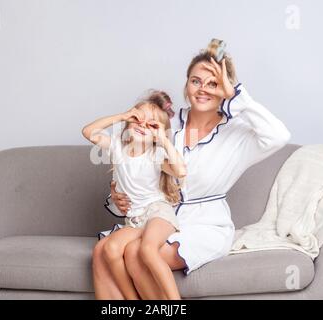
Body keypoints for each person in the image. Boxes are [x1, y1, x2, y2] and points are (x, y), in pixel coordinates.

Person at [92, 38, 291, 300]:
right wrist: (118, 199)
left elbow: (279, 136)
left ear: (226, 88)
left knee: (137, 254)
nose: (203, 89)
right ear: (187, 84)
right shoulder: (164, 123)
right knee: (102, 253)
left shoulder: (238, 134)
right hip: (155, 217)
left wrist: (236, 96)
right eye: (196, 81)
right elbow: (131, 163)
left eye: (214, 84)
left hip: (204, 225)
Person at [82, 90, 187, 299]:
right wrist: (121, 116)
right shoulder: (117, 147)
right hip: (135, 220)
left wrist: (163, 140)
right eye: (139, 119)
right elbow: (88, 131)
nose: (143, 126)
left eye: (152, 125)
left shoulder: (155, 154)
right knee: (110, 248)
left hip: (158, 213)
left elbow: (181, 171)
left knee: (147, 250)